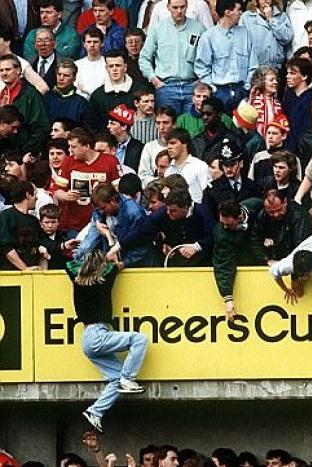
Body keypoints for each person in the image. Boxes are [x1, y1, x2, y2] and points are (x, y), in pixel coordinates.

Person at [67, 248, 149, 434]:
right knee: (139, 339)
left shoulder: (77, 280)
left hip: (87, 338)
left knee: (115, 379)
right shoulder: (105, 279)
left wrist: (86, 264)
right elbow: (118, 264)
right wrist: (111, 250)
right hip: (98, 333)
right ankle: (128, 378)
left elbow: (69, 264)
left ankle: (95, 412)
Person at [138, 0, 205, 115]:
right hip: (166, 86)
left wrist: (202, 79)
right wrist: (154, 79)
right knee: (167, 124)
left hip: (192, 86)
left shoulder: (198, 28)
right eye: (175, 7)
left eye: (182, 7)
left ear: (187, 6)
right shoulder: (158, 29)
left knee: (193, 124)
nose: (179, 11)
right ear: (168, 7)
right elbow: (144, 58)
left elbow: (208, 56)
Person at [194, 0, 258, 110]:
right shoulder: (208, 36)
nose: (241, 13)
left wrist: (246, 87)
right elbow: (201, 67)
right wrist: (213, 89)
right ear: (227, 12)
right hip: (219, 91)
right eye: (238, 10)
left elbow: (253, 65)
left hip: (241, 90)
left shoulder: (245, 34)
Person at [212, 197, 264, 321]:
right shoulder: (221, 234)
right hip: (246, 263)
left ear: (240, 217)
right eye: (222, 223)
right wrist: (228, 298)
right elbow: (223, 264)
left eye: (228, 224)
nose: (224, 227)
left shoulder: (256, 205)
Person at [0, 179, 42, 270]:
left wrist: (63, 245)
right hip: (10, 273)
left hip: (33, 272)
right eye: (35, 194)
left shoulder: (34, 221)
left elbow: (42, 243)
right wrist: (25, 268)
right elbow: (6, 247)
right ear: (28, 195)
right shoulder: (6, 217)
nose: (37, 198)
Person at [164, 128, 211, 203]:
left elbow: (207, 194)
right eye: (167, 144)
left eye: (173, 143)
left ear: (184, 144)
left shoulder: (200, 166)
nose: (169, 147)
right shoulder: (168, 171)